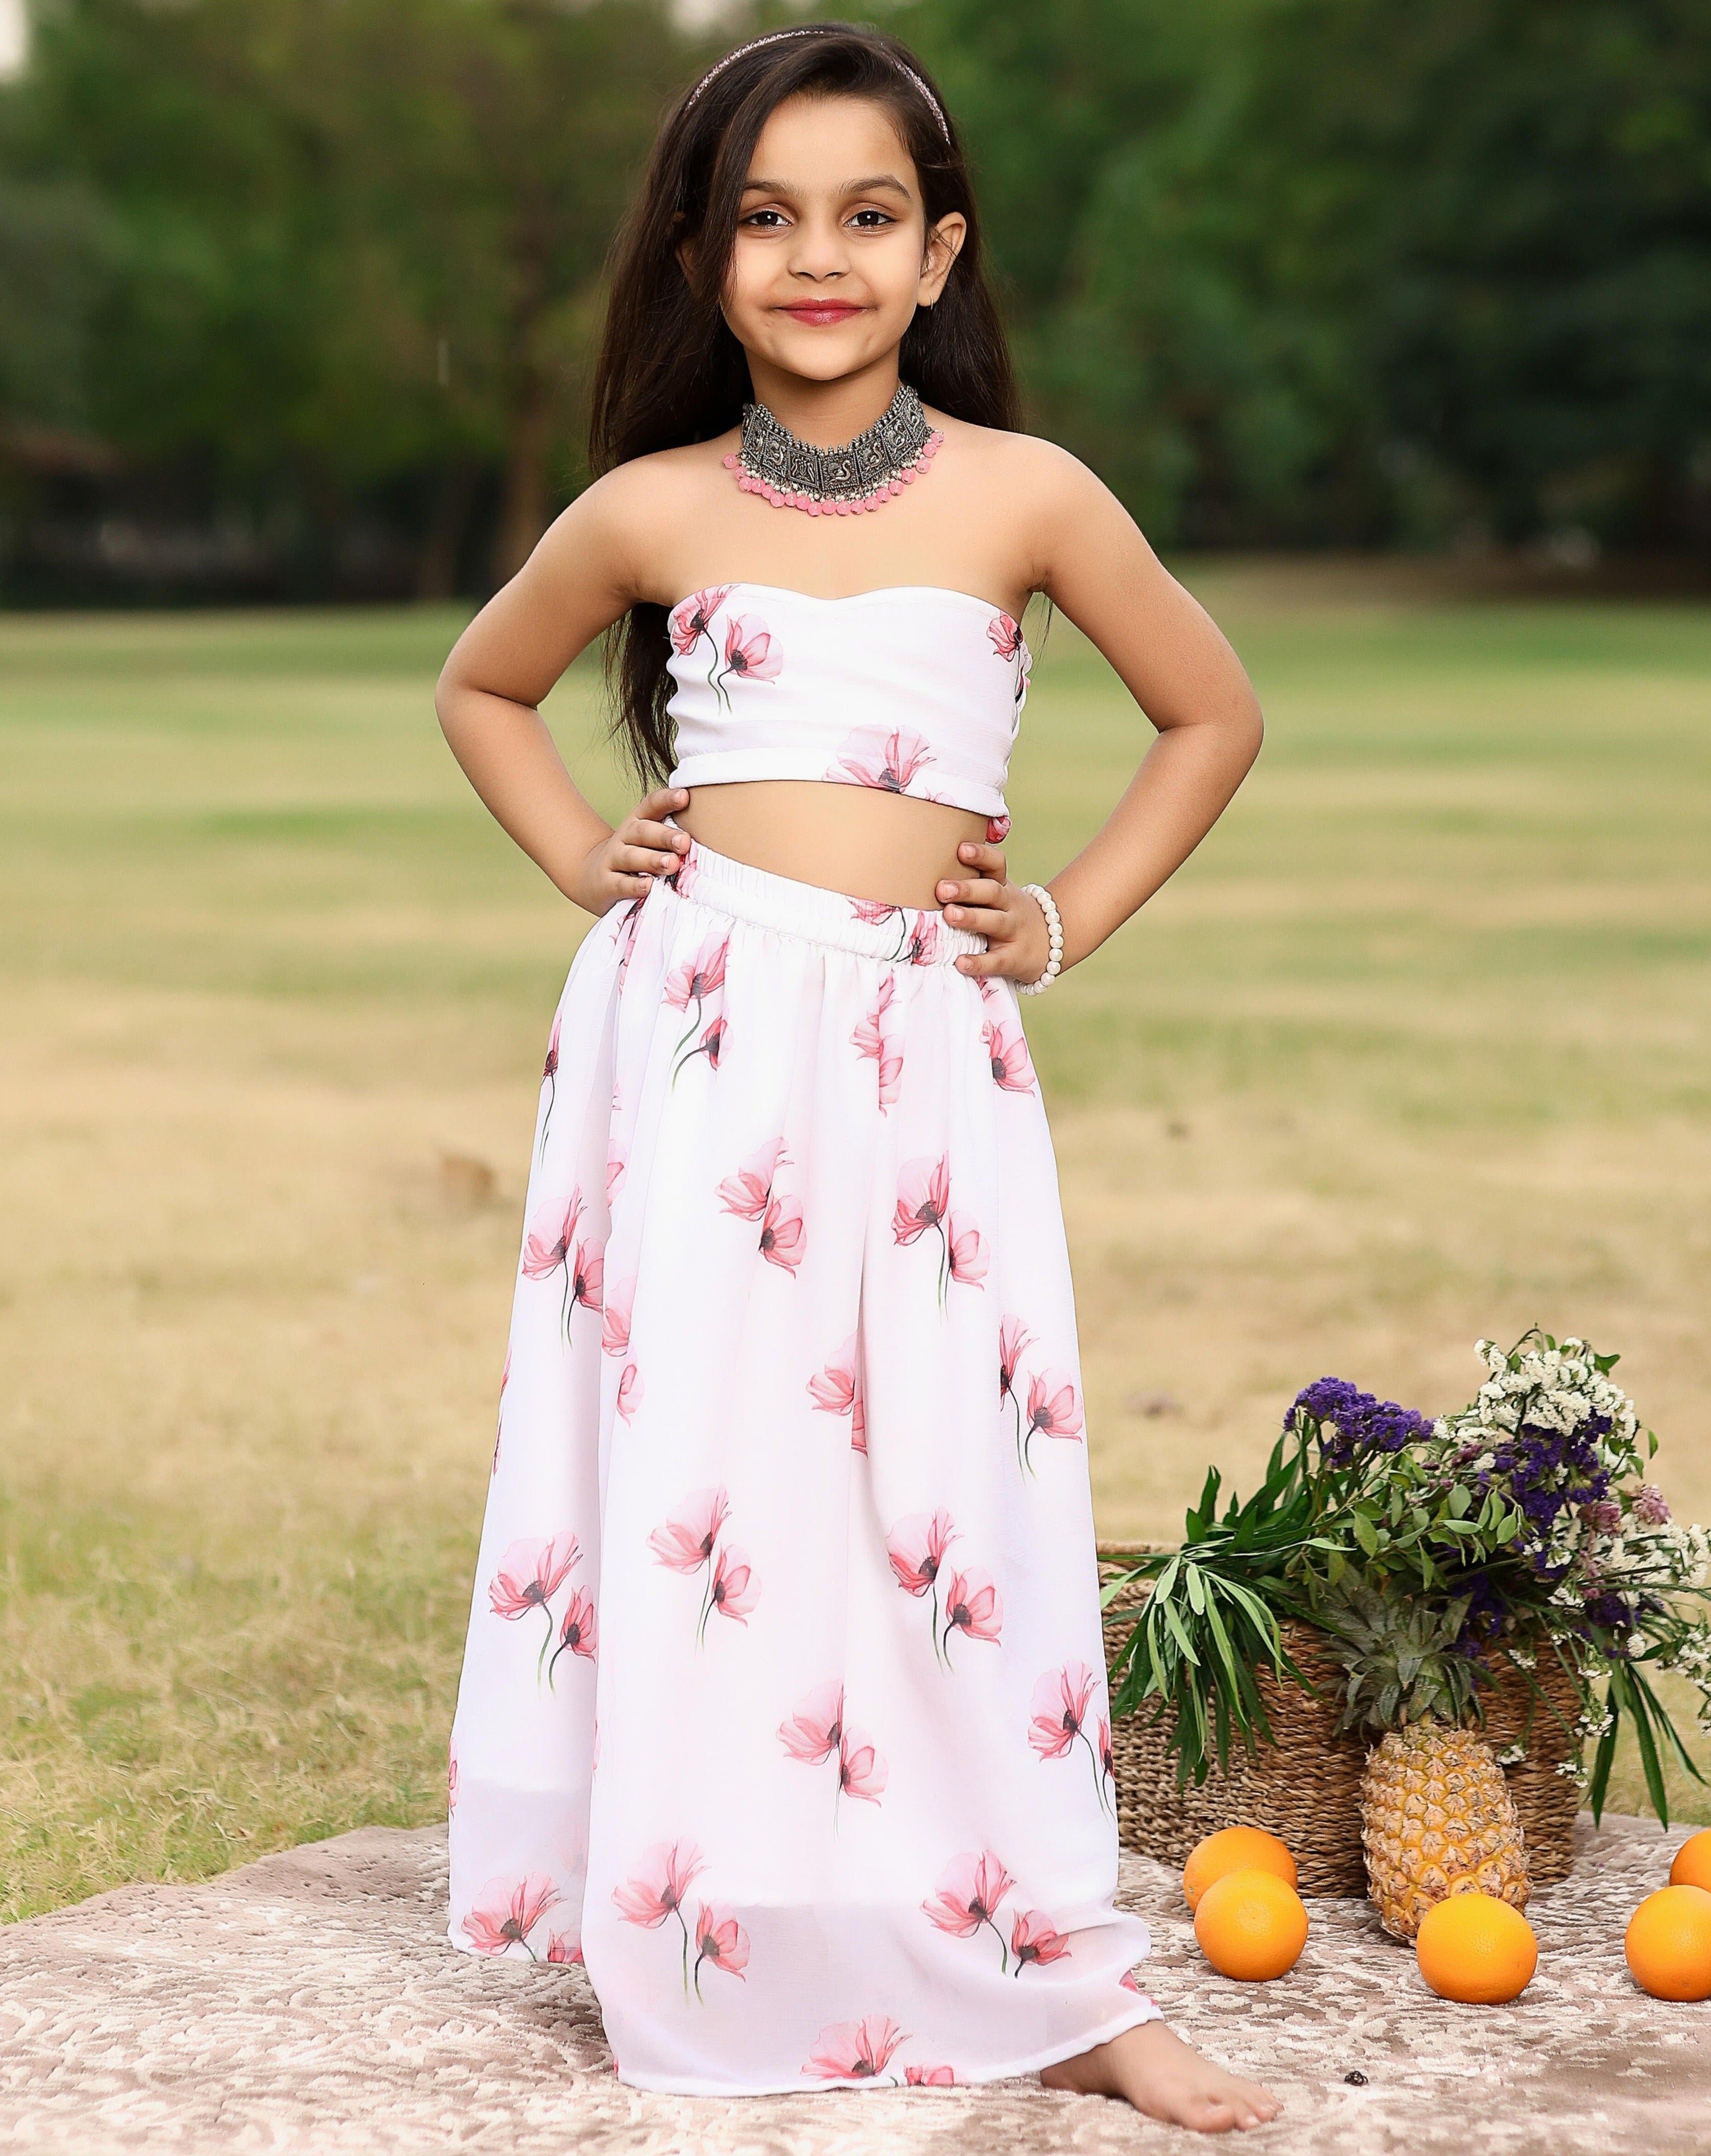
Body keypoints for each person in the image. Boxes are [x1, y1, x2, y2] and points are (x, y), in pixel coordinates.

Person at [435, 20, 1275, 2134]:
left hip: (917, 1055)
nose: (818, 257)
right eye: (767, 219)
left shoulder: (1025, 495)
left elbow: (1210, 716)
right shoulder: (646, 510)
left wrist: (1057, 917)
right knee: (721, 1480)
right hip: (696, 1046)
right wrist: (577, 854)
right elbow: (484, 684)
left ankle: (1040, 1962)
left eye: (867, 216)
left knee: (942, 1488)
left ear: (936, 253)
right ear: (709, 259)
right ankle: (704, 1897)